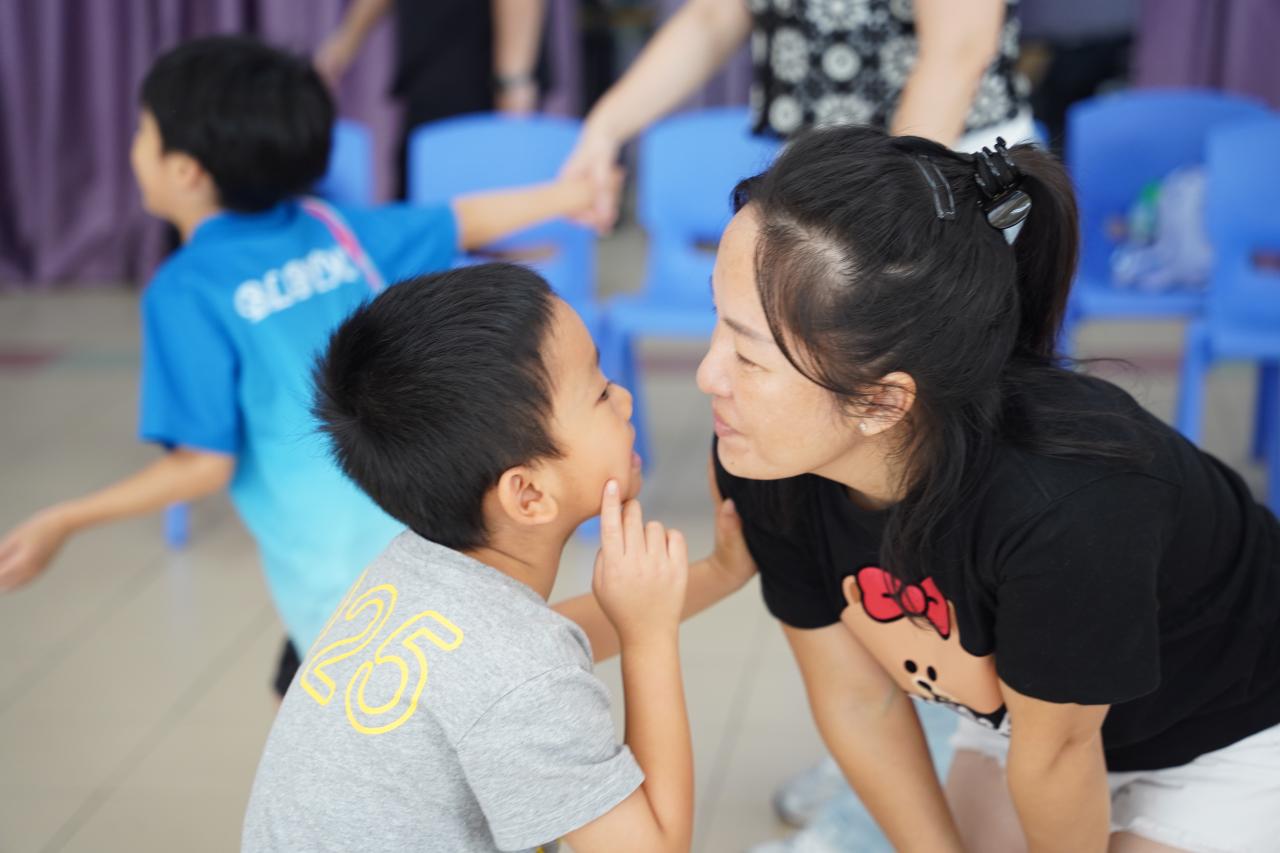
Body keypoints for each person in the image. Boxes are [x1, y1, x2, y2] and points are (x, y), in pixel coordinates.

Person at [691, 124, 1280, 851]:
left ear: (882, 401)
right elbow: (859, 701)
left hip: (1235, 736)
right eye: (717, 321)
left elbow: (1060, 756)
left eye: (749, 358)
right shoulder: (764, 459)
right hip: (1031, 721)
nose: (708, 376)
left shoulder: (1067, 507)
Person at [0, 35, 608, 700]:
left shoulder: (185, 289)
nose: (133, 149)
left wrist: (65, 519)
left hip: (340, 585)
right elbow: (460, 220)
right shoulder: (334, 229)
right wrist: (570, 194)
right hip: (436, 540)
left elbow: (204, 464)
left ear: (187, 171)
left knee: (352, 724)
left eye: (143, 134)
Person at [243, 263, 699, 851]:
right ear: (528, 494)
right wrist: (650, 638)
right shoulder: (521, 673)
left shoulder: (415, 565)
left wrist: (719, 573)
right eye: (600, 393)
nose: (626, 399)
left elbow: (538, 647)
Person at [563, 0, 1033, 229]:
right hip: (820, 169)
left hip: (942, 168)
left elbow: (957, 51)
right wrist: (606, 128)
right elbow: (713, 17)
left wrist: (889, 197)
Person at [314, 0, 549, 194]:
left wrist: (512, 83)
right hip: (430, 76)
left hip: (476, 82)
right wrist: (343, 44)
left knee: (480, 210)